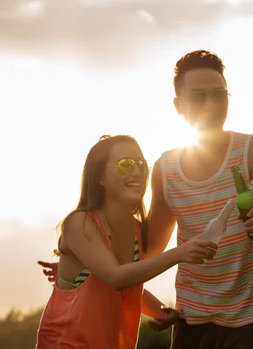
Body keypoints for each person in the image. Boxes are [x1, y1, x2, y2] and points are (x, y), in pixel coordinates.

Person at [39, 50, 253, 349]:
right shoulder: (166, 168)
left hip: (252, 319)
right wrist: (81, 256)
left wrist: (87, 255)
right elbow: (149, 250)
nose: (211, 104)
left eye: (219, 94)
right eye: (199, 96)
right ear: (179, 106)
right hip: (191, 321)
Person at [37, 135, 217, 349]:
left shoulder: (137, 231)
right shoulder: (81, 223)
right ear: (99, 177)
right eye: (125, 165)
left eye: (142, 165)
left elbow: (124, 288)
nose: (138, 172)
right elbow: (117, 278)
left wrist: (159, 310)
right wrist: (179, 254)